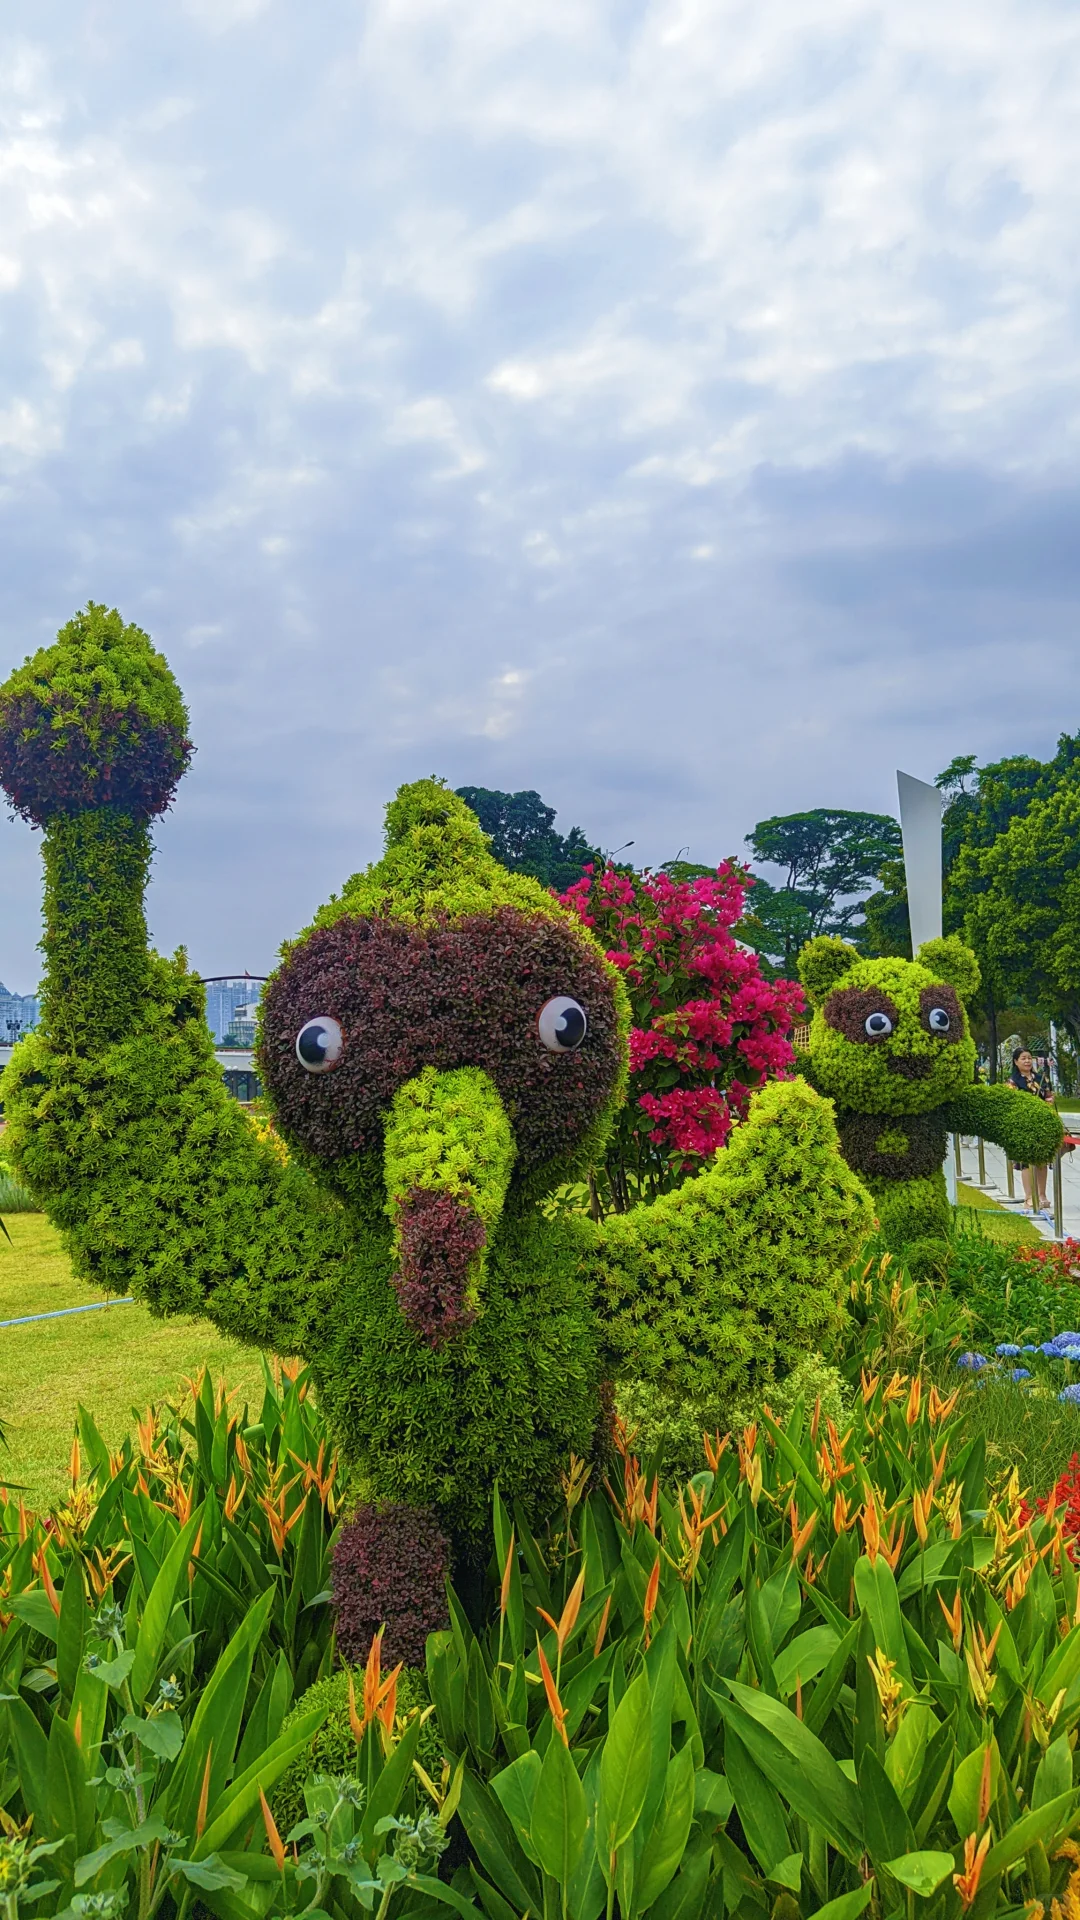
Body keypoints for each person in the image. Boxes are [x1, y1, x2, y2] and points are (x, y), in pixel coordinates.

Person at [1010, 1046, 1056, 1217]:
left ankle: (1042, 1194)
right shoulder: (1013, 1082)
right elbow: (1012, 1104)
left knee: (1042, 1161)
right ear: (1016, 1062)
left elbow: (1049, 1096)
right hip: (1024, 1126)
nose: (1027, 1061)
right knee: (1026, 1163)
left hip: (1042, 1125)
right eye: (1023, 1058)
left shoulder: (1041, 1078)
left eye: (1029, 1058)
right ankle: (1029, 1196)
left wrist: (1049, 1102)